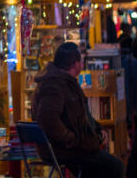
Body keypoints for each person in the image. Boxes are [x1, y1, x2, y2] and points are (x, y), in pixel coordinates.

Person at [31, 42, 125, 177]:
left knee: (106, 165)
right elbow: (47, 119)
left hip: (73, 148)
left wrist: (98, 128)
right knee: (115, 166)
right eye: (81, 61)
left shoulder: (66, 82)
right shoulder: (53, 86)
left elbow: (82, 114)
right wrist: (72, 140)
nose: (82, 64)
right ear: (75, 64)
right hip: (64, 151)